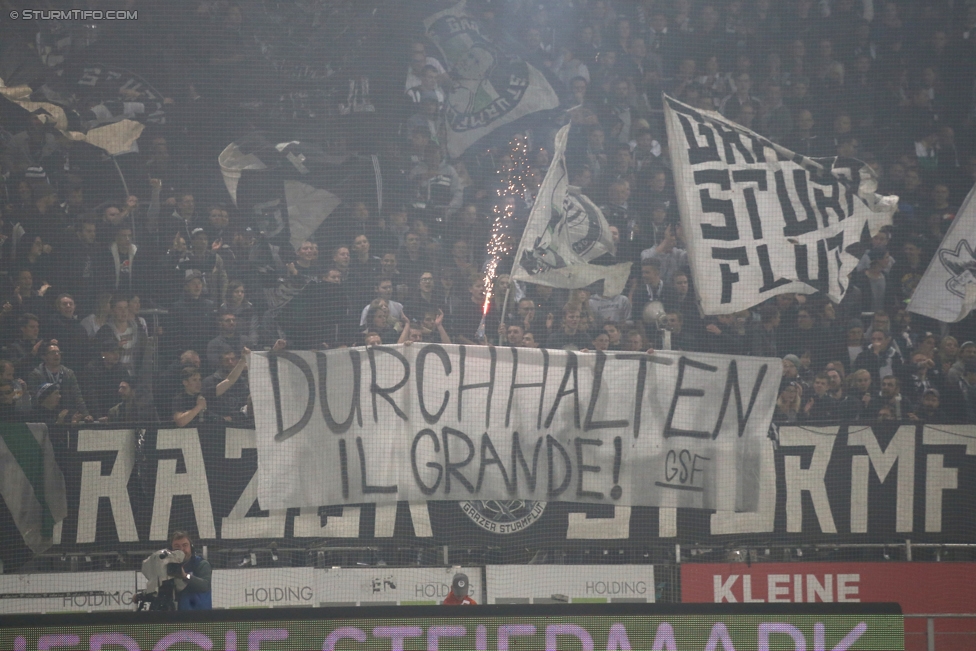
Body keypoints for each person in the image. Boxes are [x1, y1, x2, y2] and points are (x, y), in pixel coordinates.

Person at [169, 530, 212, 610]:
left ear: (191, 548)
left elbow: (205, 586)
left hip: (200, 617)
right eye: (177, 546)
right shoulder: (168, 566)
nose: (181, 549)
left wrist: (185, 576)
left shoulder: (202, 564)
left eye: (185, 545)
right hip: (176, 616)